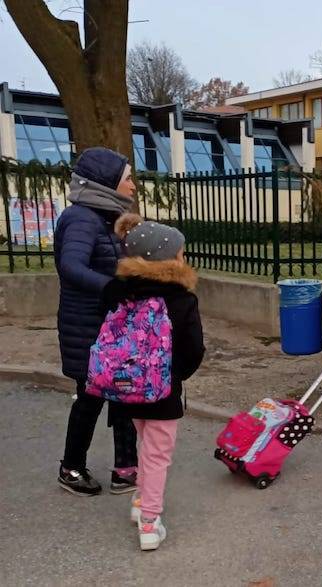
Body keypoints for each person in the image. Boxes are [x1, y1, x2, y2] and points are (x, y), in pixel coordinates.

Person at [106, 213, 205, 551]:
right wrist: (177, 376)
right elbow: (193, 348)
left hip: (126, 384)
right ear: (165, 259)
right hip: (163, 390)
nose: (183, 258)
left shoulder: (118, 291)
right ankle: (150, 521)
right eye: (180, 253)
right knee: (159, 453)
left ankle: (138, 502)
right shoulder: (180, 298)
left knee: (146, 443)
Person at [55, 147, 139, 496]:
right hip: (87, 329)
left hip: (109, 327)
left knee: (124, 395)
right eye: (128, 179)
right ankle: (71, 468)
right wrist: (113, 288)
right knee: (89, 398)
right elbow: (71, 266)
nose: (134, 186)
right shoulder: (81, 218)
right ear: (107, 183)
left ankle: (125, 468)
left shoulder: (105, 218)